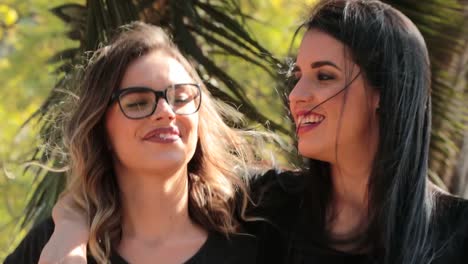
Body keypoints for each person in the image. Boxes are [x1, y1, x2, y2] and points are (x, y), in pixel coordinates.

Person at [17, 0, 468, 263]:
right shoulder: (271, 208)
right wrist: (72, 232)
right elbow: (151, 191)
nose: (297, 96)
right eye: (298, 76)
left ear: (384, 91)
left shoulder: (456, 232)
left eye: (324, 76)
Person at [4, 22, 278, 264]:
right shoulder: (56, 250)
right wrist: (68, 228)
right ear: (101, 129)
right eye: (137, 102)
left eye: (180, 98)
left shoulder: (260, 223)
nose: (166, 111)